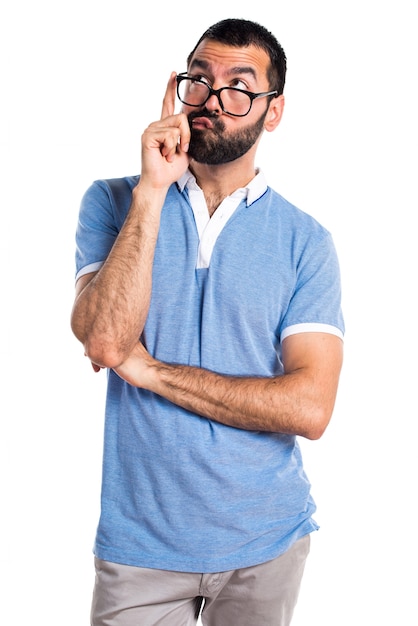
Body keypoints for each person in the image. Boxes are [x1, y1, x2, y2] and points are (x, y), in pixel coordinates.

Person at [71, 17, 344, 626]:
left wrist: (153, 372)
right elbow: (105, 340)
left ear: (272, 111)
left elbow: (309, 408)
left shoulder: (306, 242)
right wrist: (151, 190)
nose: (213, 100)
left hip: (266, 542)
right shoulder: (115, 201)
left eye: (239, 86)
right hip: (140, 543)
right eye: (200, 79)